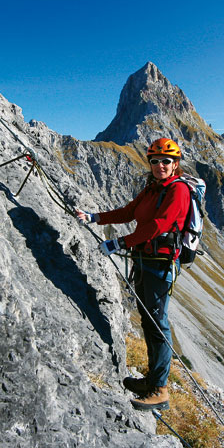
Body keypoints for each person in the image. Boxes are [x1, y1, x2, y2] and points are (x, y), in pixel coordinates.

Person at [76, 138, 190, 411]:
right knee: (150, 323)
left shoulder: (179, 191)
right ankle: (152, 380)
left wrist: (119, 244)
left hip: (160, 266)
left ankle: (160, 390)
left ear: (175, 164)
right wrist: (94, 217)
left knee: (158, 324)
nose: (160, 165)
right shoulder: (152, 188)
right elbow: (129, 212)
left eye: (166, 161)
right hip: (145, 262)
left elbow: (160, 226)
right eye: (155, 161)